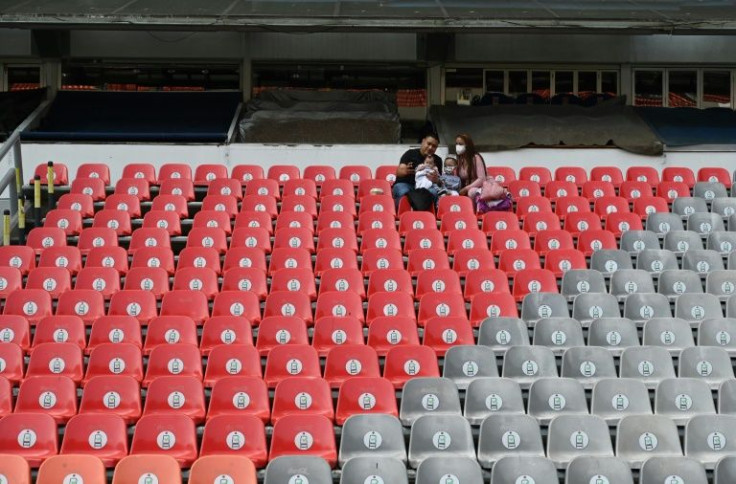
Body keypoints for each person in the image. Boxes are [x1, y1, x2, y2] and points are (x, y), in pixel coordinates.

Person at [392, 132, 442, 208]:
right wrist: (404, 171)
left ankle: (426, 215)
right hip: (406, 185)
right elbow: (398, 173)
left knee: (434, 192)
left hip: (425, 188)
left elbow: (440, 182)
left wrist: (436, 180)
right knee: (403, 191)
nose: (430, 147)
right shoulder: (410, 154)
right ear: (423, 141)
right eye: (428, 144)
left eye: (434, 146)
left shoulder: (437, 160)